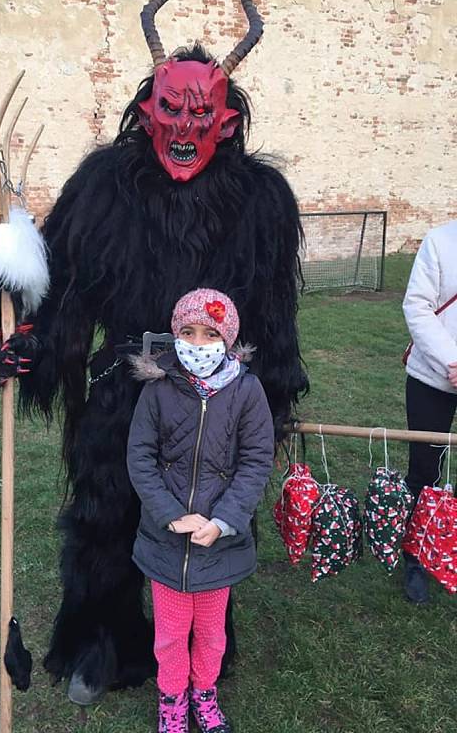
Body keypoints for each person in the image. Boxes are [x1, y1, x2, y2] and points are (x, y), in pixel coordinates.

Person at [0, 0, 307, 704]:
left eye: (199, 114)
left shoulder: (260, 201)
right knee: (105, 515)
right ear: (148, 106)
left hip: (216, 394)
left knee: (208, 518)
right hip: (121, 387)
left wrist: (271, 395)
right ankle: (101, 645)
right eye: (170, 111)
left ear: (223, 116)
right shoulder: (104, 185)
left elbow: (274, 312)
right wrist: (20, 345)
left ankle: (200, 655)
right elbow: (54, 285)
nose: (183, 130)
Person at [127, 288, 274, 733]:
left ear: (227, 339)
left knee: (211, 634)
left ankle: (204, 695)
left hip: (217, 545)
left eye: (210, 333)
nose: (197, 342)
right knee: (170, 635)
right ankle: (172, 701)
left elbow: (256, 459)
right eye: (187, 332)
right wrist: (170, 514)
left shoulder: (247, 391)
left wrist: (225, 520)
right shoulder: (157, 391)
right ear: (175, 336)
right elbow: (140, 457)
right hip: (166, 545)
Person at [402, 219, 457, 603]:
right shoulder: (439, 240)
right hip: (432, 376)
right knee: (425, 468)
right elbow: (418, 306)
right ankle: (416, 555)